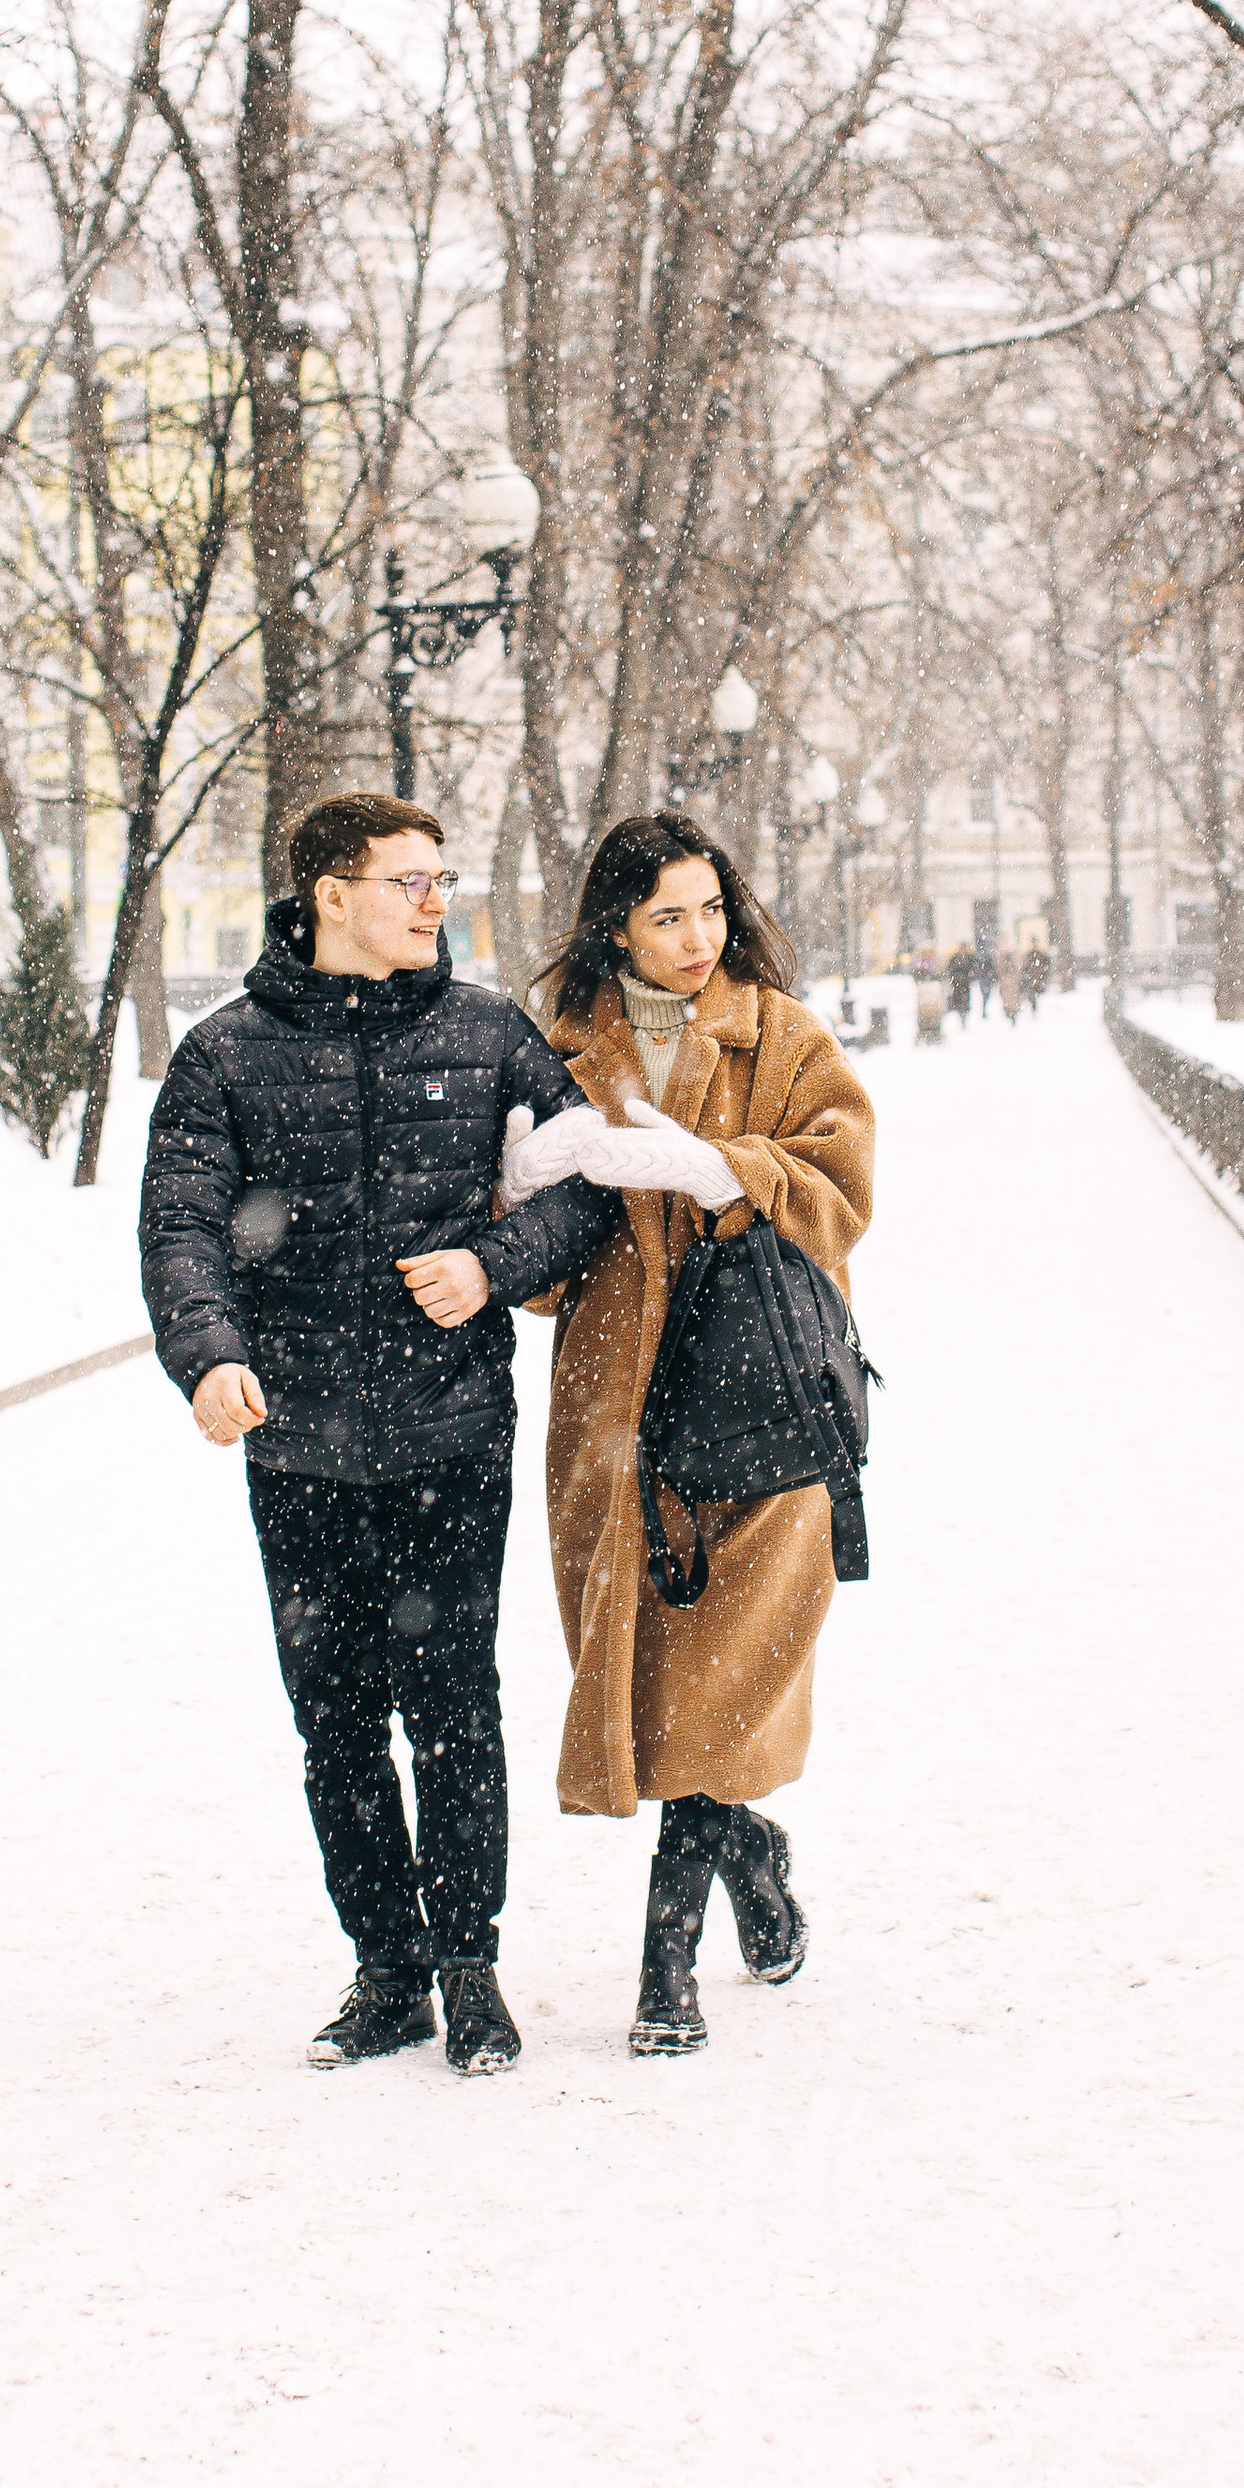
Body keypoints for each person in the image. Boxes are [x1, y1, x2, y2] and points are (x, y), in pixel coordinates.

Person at [138, 793, 614, 2079]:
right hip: (296, 1446)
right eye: (407, 880)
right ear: (328, 895)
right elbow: (181, 1221)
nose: (432, 901)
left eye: (439, 878)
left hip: (450, 1432)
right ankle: (385, 1969)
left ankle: (469, 1963)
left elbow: (583, 1185)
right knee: (335, 1717)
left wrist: (491, 1261)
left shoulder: (486, 1032)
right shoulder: (224, 1055)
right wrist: (212, 1354)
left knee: (455, 1703)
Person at [502, 813, 873, 2059]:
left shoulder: (782, 1034)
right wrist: (525, 1184)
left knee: (724, 1684)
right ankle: (753, 1855)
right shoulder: (559, 1052)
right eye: (665, 916)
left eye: (711, 909)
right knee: (662, 1688)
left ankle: (666, 1970)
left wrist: (723, 1171)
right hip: (614, 1421)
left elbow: (842, 1194)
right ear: (615, 925)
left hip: (763, 1403)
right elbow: (543, 1278)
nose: (697, 939)